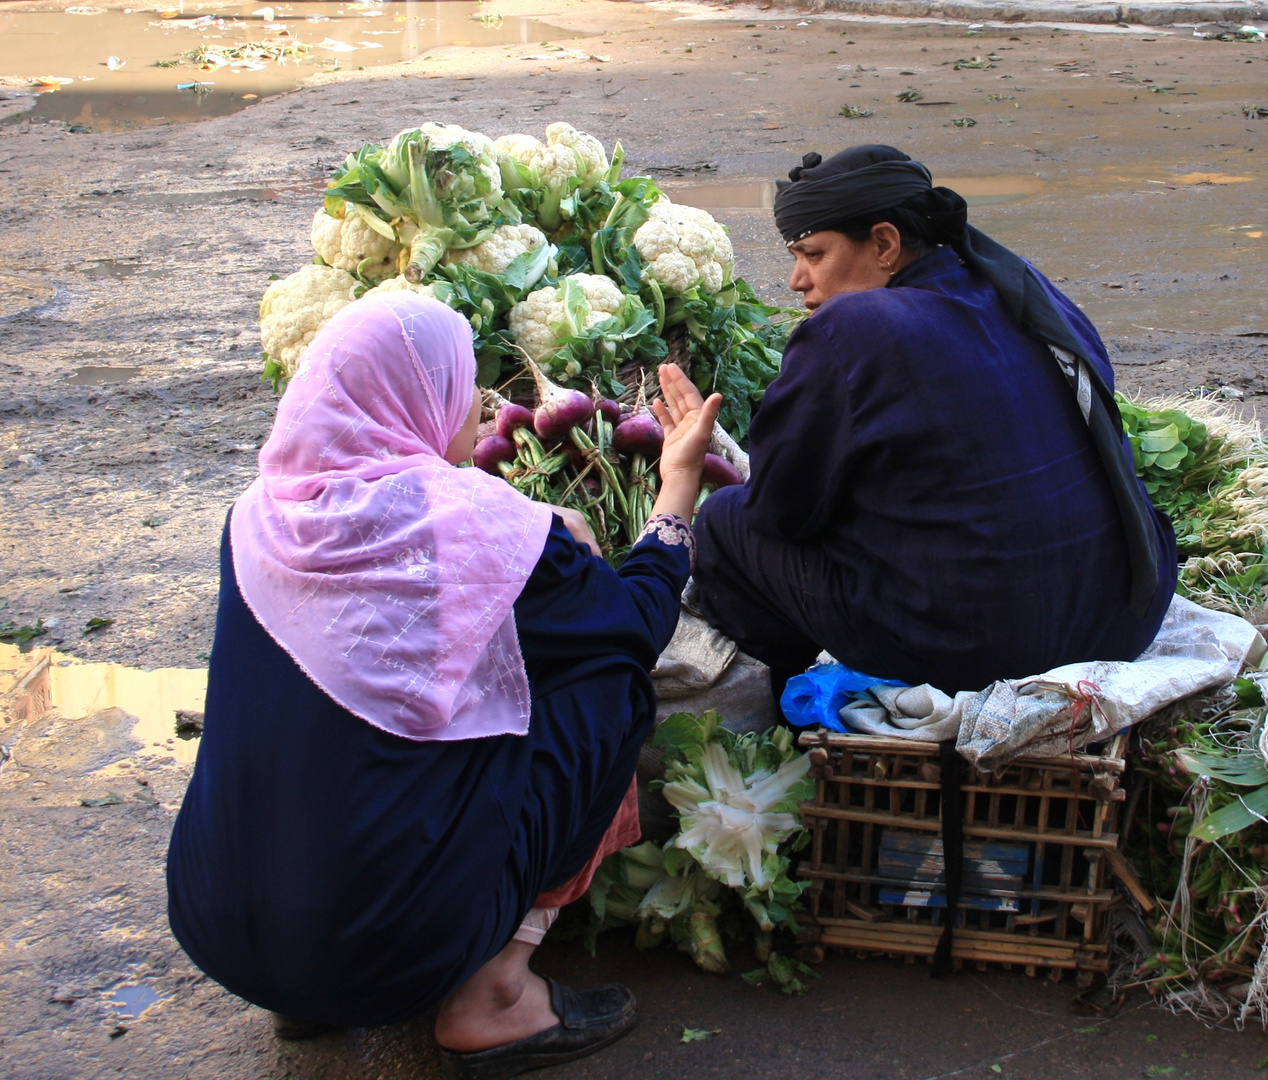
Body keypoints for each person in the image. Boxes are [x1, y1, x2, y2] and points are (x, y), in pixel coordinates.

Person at [165, 292, 722, 1079]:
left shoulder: (258, 514)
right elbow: (633, 624)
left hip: (215, 933)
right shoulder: (471, 527)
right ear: (419, 398)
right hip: (387, 954)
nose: (478, 404)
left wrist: (527, 532)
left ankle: (301, 989)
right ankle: (496, 997)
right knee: (611, 681)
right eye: (462, 385)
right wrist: (677, 486)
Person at [693, 145, 1178, 696]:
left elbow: (780, 514)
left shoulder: (849, 328)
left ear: (884, 243)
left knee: (724, 523)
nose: (796, 280)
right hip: (1123, 618)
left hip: (978, 651)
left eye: (813, 254)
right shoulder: (1023, 288)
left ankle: (787, 704)